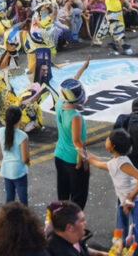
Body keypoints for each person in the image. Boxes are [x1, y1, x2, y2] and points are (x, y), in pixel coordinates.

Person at [82, 128, 138, 256]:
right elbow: (98, 160)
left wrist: (130, 197)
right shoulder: (120, 160)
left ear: (112, 146)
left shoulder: (119, 164)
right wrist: (83, 150)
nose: (106, 140)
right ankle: (124, 249)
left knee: (137, 240)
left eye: (108, 139)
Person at [55, 63, 91, 209]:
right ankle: (74, 221)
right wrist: (84, 160)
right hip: (73, 160)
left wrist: (81, 70)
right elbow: (77, 142)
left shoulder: (60, 103)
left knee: (63, 195)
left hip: (59, 155)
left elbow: (67, 88)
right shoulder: (75, 117)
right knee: (78, 198)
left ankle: (61, 220)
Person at [0, 106, 31, 205]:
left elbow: (0, 155)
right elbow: (25, 159)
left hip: (6, 170)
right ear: (19, 119)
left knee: (9, 197)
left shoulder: (0, 132)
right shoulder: (23, 136)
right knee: (23, 199)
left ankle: (8, 214)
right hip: (19, 171)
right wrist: (29, 163)